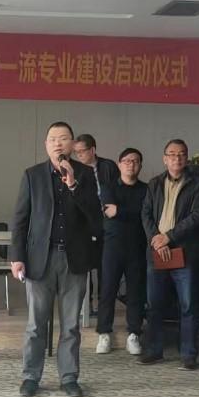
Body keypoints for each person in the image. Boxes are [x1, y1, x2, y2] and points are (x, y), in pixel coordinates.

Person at [10, 121, 103, 397]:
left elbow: (95, 218)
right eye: (52, 139)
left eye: (63, 139)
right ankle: (31, 377)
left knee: (71, 325)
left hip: (74, 259)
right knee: (36, 324)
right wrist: (17, 257)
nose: (58, 143)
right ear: (46, 144)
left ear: (72, 145)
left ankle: (69, 377)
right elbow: (20, 219)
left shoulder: (85, 174)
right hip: (40, 258)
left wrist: (73, 185)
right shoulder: (32, 175)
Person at [140, 139, 199, 370]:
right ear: (164, 158)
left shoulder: (198, 185)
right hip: (157, 251)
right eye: (171, 154)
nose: (176, 158)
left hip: (184, 252)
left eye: (181, 154)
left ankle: (188, 354)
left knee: (187, 305)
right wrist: (156, 240)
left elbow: (197, 217)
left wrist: (168, 237)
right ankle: (154, 350)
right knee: (154, 304)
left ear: (186, 158)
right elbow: (146, 214)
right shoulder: (155, 183)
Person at [95, 147, 147, 356]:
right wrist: (130, 213)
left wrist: (120, 211)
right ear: (119, 164)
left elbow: (145, 215)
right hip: (112, 247)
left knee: (136, 292)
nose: (130, 164)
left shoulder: (147, 189)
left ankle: (134, 334)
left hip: (138, 246)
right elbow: (110, 212)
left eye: (135, 161)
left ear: (140, 165)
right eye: (126, 161)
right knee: (107, 290)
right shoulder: (108, 188)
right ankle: (104, 333)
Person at [72, 133, 117, 316]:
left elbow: (117, 188)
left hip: (108, 221)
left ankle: (103, 305)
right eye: (76, 152)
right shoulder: (75, 169)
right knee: (87, 264)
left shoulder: (108, 166)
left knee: (105, 266)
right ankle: (87, 305)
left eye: (82, 151)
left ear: (92, 150)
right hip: (86, 222)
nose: (79, 155)